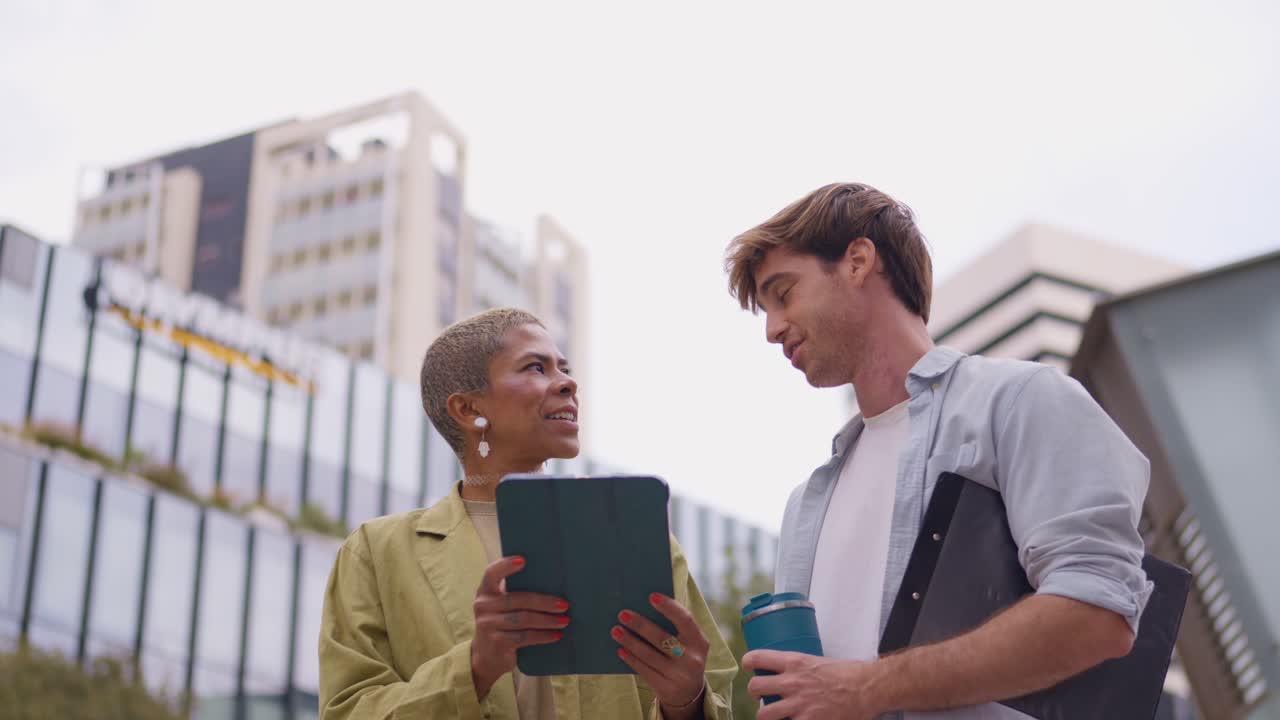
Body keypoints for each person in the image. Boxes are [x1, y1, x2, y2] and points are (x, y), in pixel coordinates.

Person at [723, 184, 1152, 720]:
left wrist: (865, 688)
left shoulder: (1018, 401)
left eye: (783, 293)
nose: (772, 330)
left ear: (857, 261)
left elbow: (1100, 610)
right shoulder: (806, 504)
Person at [318, 308, 736, 720]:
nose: (569, 383)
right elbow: (348, 711)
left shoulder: (640, 539)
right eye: (536, 367)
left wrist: (686, 702)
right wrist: (476, 667)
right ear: (468, 410)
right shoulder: (376, 552)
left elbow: (715, 696)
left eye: (564, 368)